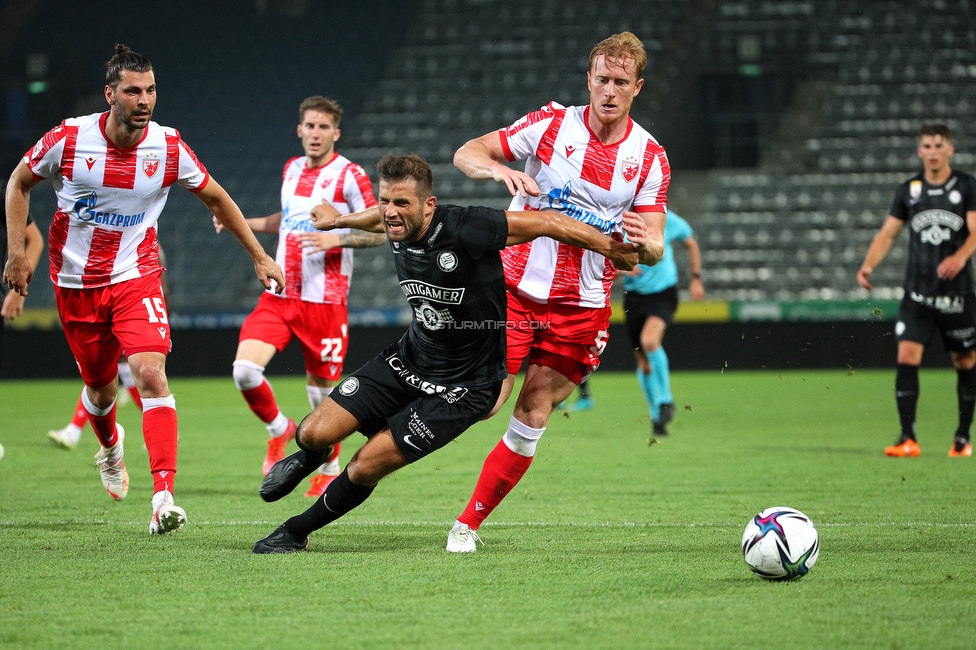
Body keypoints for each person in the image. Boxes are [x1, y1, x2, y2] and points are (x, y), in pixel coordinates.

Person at [251, 153, 642, 553]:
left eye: (402, 203)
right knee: (312, 432)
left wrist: (611, 249)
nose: (391, 212)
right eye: (386, 200)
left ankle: (295, 532)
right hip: (410, 359)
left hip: (466, 387)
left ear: (429, 205)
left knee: (366, 464)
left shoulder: (468, 227)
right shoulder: (393, 221)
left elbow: (547, 222)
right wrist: (338, 220)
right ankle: (308, 456)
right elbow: (377, 218)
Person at [3, 44, 285, 535]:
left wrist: (259, 255)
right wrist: (17, 253)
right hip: (75, 284)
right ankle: (110, 448)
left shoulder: (168, 147)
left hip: (136, 277)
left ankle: (162, 499)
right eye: (133, 90)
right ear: (110, 94)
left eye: (151, 90)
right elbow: (17, 184)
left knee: (151, 374)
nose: (144, 99)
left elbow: (217, 197)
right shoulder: (69, 139)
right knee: (98, 389)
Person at [445, 31, 669, 552]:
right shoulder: (550, 124)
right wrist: (498, 169)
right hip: (516, 290)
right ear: (588, 79)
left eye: (620, 82)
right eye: (601, 79)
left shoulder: (650, 158)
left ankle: (467, 524)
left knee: (535, 409)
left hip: (584, 307)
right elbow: (466, 152)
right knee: (485, 401)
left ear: (637, 87)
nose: (608, 91)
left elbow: (654, 246)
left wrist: (646, 245)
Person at [214, 96, 384, 497]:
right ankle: (279, 429)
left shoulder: (349, 175)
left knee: (323, 396)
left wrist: (336, 238)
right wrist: (243, 222)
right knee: (244, 371)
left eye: (324, 127)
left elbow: (382, 225)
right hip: (279, 295)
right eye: (310, 125)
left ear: (335, 133)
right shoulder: (291, 169)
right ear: (299, 129)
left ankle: (330, 467)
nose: (315, 133)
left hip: (325, 303)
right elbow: (285, 220)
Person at [857, 123, 976, 458]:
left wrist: (960, 256)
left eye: (939, 144)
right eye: (927, 145)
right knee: (906, 355)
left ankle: (962, 439)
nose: (933, 151)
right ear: (919, 151)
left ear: (950, 149)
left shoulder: (966, 186)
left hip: (957, 293)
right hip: (918, 293)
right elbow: (888, 234)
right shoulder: (909, 190)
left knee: (965, 359)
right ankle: (908, 438)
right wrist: (868, 265)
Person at [623, 209, 703, 436]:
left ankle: (666, 399)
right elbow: (608, 261)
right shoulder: (619, 221)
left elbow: (691, 244)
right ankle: (656, 414)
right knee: (643, 363)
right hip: (634, 299)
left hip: (663, 294)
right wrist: (624, 268)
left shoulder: (666, 219)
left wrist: (696, 278)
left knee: (649, 341)